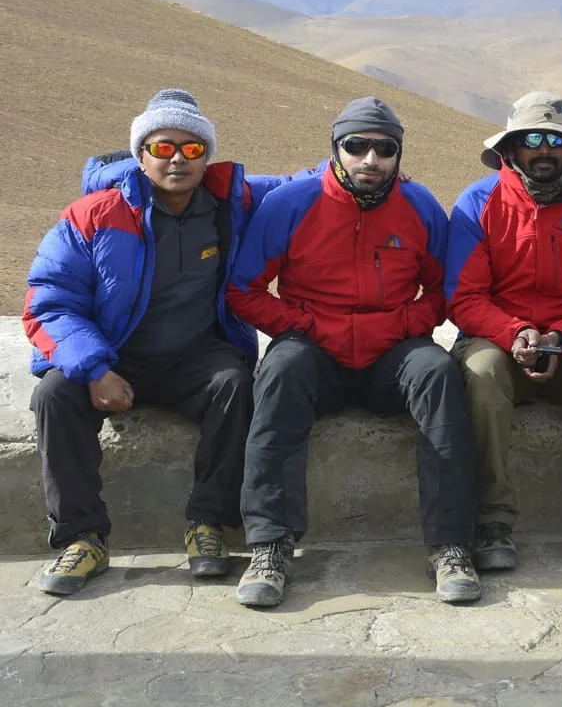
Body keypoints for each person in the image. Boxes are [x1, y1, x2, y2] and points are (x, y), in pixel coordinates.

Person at [23, 89, 283, 595]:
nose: (178, 160)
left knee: (236, 383)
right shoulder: (93, 216)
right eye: (164, 148)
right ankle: (83, 537)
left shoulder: (231, 202)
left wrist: (366, 158)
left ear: (207, 156)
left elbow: (308, 185)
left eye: (192, 149)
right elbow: (49, 303)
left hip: (195, 355)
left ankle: (208, 525)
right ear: (141, 155)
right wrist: (95, 368)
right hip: (113, 350)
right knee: (53, 394)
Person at [227, 97, 479, 608]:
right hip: (315, 351)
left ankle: (450, 546)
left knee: (437, 371)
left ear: (399, 155)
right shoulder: (291, 204)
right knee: (280, 370)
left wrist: (403, 324)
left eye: (385, 149)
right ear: (336, 149)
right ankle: (270, 546)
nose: (371, 159)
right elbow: (244, 290)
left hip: (392, 352)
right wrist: (303, 325)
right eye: (356, 146)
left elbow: (443, 292)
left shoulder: (421, 207)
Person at [446, 92, 562, 572]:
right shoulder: (477, 203)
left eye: (556, 139)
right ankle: (492, 520)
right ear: (510, 147)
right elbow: (464, 297)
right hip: (501, 342)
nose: (544, 148)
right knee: (481, 370)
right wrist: (515, 333)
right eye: (532, 138)